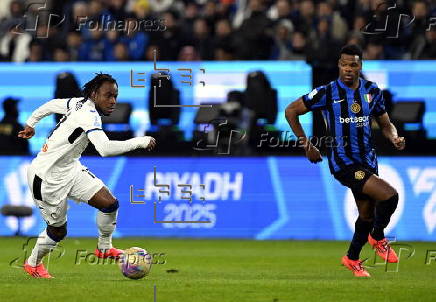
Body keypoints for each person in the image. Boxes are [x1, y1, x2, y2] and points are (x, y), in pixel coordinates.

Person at [18, 73, 156, 278]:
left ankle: (104, 248)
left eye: (115, 96)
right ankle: (33, 263)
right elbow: (105, 148)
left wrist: (31, 123)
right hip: (47, 178)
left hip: (70, 169)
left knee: (109, 203)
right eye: (108, 96)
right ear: (94, 94)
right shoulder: (88, 114)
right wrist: (140, 141)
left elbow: (51, 105)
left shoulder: (77, 103)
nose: (113, 101)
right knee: (58, 232)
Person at [285, 44, 405, 277]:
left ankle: (351, 258)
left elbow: (385, 123)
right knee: (390, 195)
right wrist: (306, 145)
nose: (348, 69)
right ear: (339, 65)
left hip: (368, 160)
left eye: (353, 64)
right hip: (344, 162)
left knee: (367, 215)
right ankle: (378, 237)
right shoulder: (327, 92)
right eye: (344, 64)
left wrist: (394, 137)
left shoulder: (372, 91)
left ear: (360, 66)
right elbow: (291, 111)